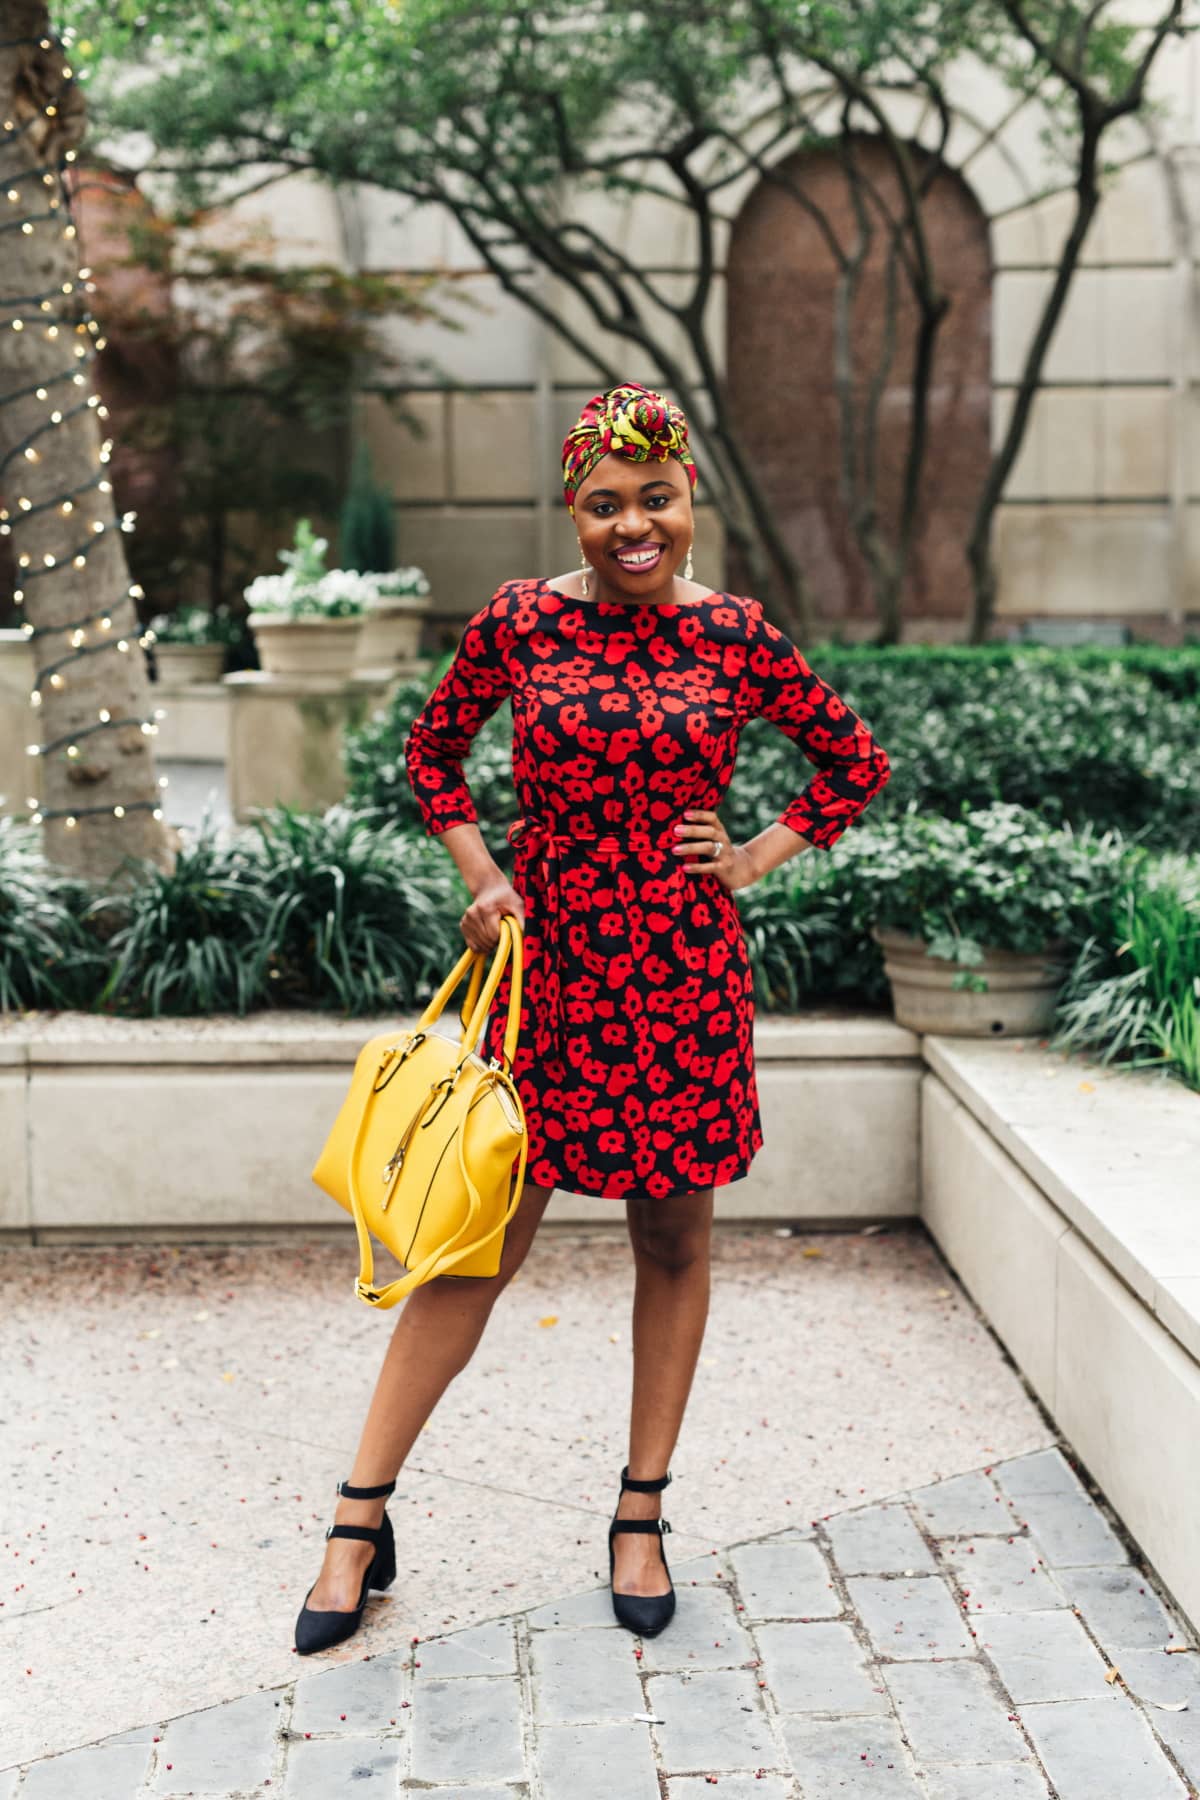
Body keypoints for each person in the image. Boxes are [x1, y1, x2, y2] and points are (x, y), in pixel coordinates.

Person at [293, 380, 891, 1654]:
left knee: (671, 1243)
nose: (635, 526)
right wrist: (485, 878)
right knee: (472, 1246)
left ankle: (641, 1509)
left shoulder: (736, 632)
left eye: (656, 500)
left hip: (682, 976)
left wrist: (757, 857)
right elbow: (432, 756)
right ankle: (358, 1517)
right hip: (550, 974)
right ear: (572, 510)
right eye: (606, 505)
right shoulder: (517, 623)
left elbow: (854, 762)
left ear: (689, 501)